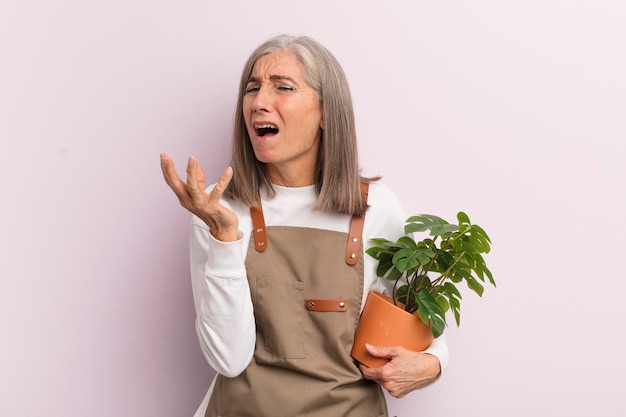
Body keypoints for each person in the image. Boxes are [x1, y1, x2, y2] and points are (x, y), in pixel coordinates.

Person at [160, 34, 448, 417]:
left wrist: (436, 361)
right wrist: (225, 238)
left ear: (327, 112)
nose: (259, 102)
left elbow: (416, 312)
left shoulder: (377, 208)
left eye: (283, 87)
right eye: (252, 88)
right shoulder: (218, 207)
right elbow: (228, 359)